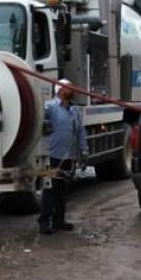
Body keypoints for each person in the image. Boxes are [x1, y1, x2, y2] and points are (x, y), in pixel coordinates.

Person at [40, 78, 87, 235]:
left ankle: (59, 221)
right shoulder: (50, 107)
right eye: (69, 87)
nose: (72, 89)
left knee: (62, 192)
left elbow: (80, 131)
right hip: (52, 157)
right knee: (49, 191)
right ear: (59, 90)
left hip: (68, 157)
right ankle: (45, 221)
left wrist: (84, 150)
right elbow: (38, 118)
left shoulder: (74, 111)